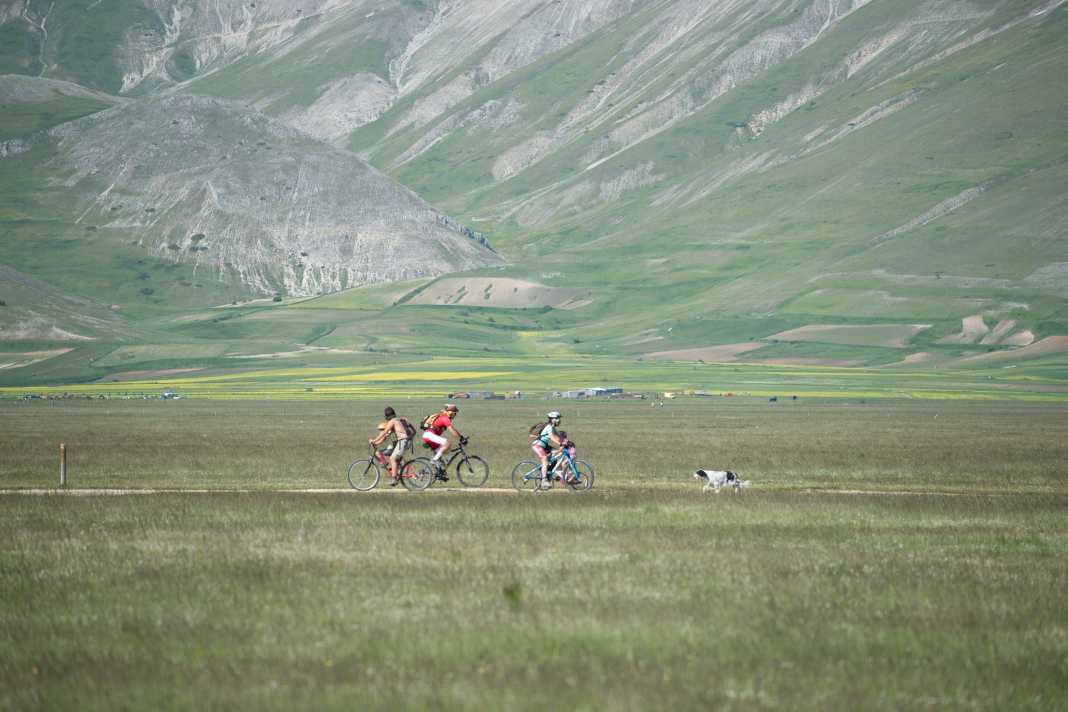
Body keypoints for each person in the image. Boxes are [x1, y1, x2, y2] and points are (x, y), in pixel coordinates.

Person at [369, 406, 411, 486]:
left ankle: (394, 479)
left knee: (392, 458)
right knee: (395, 458)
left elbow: (384, 432)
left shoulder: (392, 421)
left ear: (387, 416)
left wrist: (374, 440)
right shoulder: (398, 420)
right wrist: (376, 443)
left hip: (403, 441)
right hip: (406, 441)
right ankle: (397, 472)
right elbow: (385, 436)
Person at [422, 403, 465, 480]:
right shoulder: (444, 417)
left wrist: (461, 437)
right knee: (447, 443)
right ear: (450, 412)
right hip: (429, 435)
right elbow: (451, 430)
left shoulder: (444, 417)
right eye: (454, 413)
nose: (455, 415)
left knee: (442, 457)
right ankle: (434, 460)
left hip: (430, 436)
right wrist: (461, 438)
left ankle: (440, 474)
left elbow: (453, 429)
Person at [531, 411, 568, 489]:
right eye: (557, 418)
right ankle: (544, 480)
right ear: (552, 419)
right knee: (545, 460)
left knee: (558, 454)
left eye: (559, 418)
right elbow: (552, 437)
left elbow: (559, 437)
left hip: (545, 446)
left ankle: (554, 473)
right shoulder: (549, 427)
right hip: (537, 446)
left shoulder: (553, 428)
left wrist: (566, 442)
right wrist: (560, 443)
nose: (559, 420)